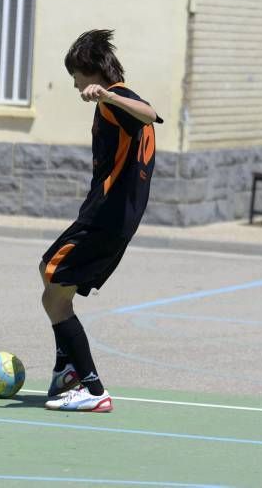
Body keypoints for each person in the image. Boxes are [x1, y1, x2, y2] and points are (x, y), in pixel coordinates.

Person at [41, 29, 162, 412]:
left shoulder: (118, 100)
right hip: (111, 219)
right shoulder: (116, 103)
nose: (74, 83)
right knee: (54, 285)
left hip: (107, 218)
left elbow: (150, 113)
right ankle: (67, 372)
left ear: (91, 72)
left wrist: (106, 95)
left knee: (52, 275)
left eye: (76, 74)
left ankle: (93, 389)